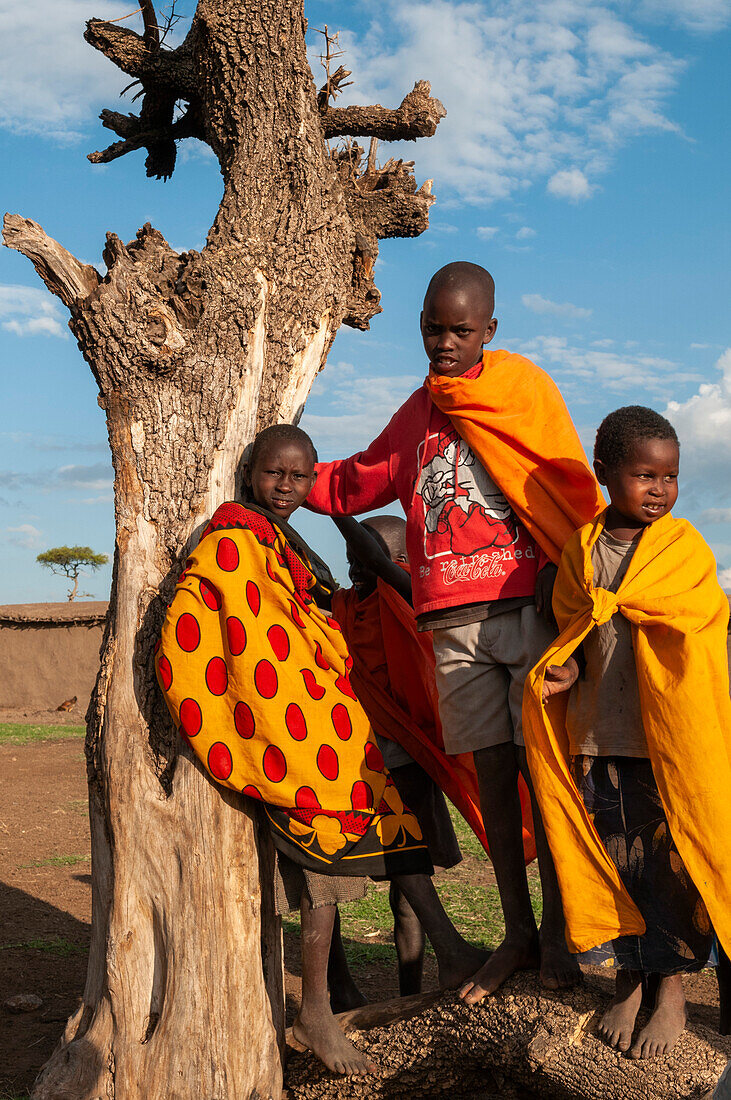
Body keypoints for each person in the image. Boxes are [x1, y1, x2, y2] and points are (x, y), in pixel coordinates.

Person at [306, 261, 606, 1000]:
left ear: (489, 331)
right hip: (452, 623)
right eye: (432, 328)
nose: (444, 342)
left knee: (549, 776)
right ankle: (517, 932)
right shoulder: (417, 413)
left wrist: (565, 576)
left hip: (525, 612)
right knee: (495, 782)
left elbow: (569, 487)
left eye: (460, 330)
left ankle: (567, 933)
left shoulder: (521, 390)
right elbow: (358, 479)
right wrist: (278, 470)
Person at [156, 423, 486, 1076]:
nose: (285, 486)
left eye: (299, 476)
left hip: (327, 724)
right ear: (251, 470)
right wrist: (289, 714)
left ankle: (436, 952)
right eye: (274, 473)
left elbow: (312, 614)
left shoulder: (282, 540)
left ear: (313, 482)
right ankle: (314, 1011)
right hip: (281, 728)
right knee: (321, 848)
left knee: (383, 822)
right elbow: (230, 631)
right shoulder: (230, 541)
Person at [523, 406, 731, 1059]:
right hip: (597, 735)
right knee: (615, 865)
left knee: (670, 870)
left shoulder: (683, 549)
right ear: (604, 472)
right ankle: (627, 980)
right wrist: (565, 669)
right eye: (644, 475)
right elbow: (574, 628)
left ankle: (670, 989)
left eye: (668, 477)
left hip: (665, 742)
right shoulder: (580, 550)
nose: (659, 490)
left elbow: (701, 626)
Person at [330, 513, 493, 997]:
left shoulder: (407, 597)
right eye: (351, 561)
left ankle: (412, 991)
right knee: (338, 877)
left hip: (405, 759)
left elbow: (377, 561)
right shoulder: (341, 606)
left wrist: (336, 505)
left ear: (400, 561)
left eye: (367, 559)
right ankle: (426, 969)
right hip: (355, 763)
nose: (357, 568)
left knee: (409, 882)